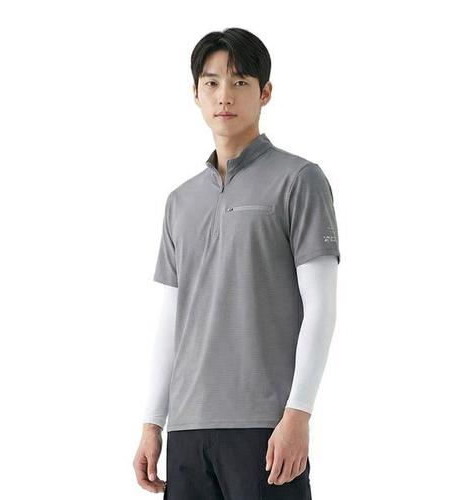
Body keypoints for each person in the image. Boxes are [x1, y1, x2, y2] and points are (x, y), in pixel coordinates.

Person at [133, 27, 340, 499]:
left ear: (265, 92)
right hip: (187, 430)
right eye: (211, 82)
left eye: (240, 81)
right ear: (196, 93)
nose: (224, 95)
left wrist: (298, 414)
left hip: (266, 427)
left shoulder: (299, 180)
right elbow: (172, 319)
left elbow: (321, 307)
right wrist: (152, 423)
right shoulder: (180, 201)